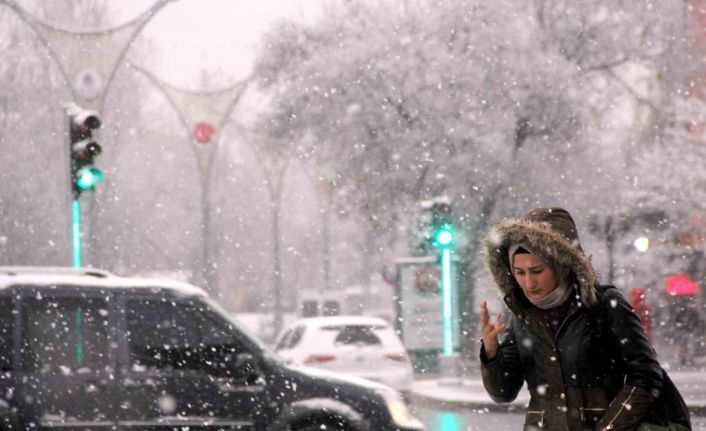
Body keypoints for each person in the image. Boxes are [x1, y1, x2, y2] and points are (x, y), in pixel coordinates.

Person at [479, 207, 691, 431]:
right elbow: (503, 393)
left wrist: (609, 428)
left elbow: (646, 376)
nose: (529, 283)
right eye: (520, 273)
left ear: (560, 263)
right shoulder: (521, 315)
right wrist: (491, 353)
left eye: (537, 270)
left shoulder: (604, 305)